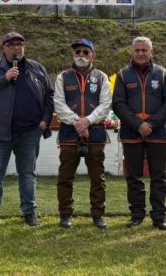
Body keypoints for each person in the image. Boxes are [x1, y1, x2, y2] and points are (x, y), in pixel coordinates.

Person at [0, 31, 54, 228]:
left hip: (29, 132)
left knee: (28, 174)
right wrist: (5, 78)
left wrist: (45, 119)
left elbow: (49, 96)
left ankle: (29, 212)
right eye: (11, 45)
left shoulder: (37, 68)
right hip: (0, 133)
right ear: (3, 48)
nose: (16, 48)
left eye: (20, 44)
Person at [112, 36, 166, 230]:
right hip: (131, 133)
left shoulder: (163, 74)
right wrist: (137, 124)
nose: (140, 53)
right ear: (132, 52)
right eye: (137, 50)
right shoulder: (123, 75)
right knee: (134, 177)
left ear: (152, 52)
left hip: (157, 133)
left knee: (159, 176)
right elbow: (118, 104)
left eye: (144, 50)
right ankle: (137, 214)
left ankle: (159, 217)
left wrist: (151, 123)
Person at [52, 39, 112, 230]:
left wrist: (88, 121)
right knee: (65, 177)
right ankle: (66, 215)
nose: (81, 55)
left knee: (97, 178)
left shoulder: (102, 77)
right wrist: (78, 121)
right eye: (78, 51)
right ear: (73, 54)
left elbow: (105, 106)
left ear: (93, 55)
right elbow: (59, 105)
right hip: (69, 133)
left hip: (95, 133)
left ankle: (98, 215)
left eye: (86, 52)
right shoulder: (63, 77)